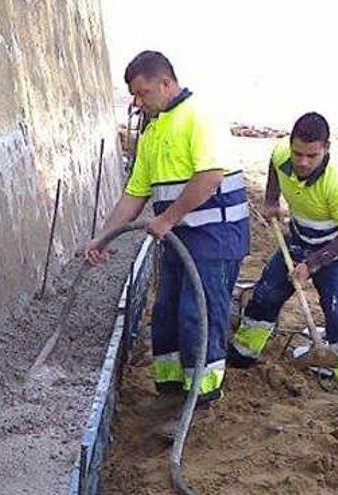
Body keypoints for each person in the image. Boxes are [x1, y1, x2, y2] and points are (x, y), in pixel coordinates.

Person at [85, 51, 250, 425]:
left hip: (214, 237)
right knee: (166, 315)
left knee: (199, 314)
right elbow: (134, 194)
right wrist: (103, 238)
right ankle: (172, 393)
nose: (138, 103)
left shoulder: (198, 117)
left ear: (166, 83)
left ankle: (201, 402)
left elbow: (209, 178)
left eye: (143, 93)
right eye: (134, 96)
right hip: (179, 238)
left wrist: (168, 218)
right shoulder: (154, 131)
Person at [228, 112, 338, 421]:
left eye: (312, 155)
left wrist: (313, 264)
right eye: (298, 153)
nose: (303, 162)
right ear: (290, 145)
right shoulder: (283, 153)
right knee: (267, 294)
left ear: (326, 149)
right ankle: (243, 354)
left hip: (337, 248)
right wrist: (271, 199)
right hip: (298, 238)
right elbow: (274, 164)